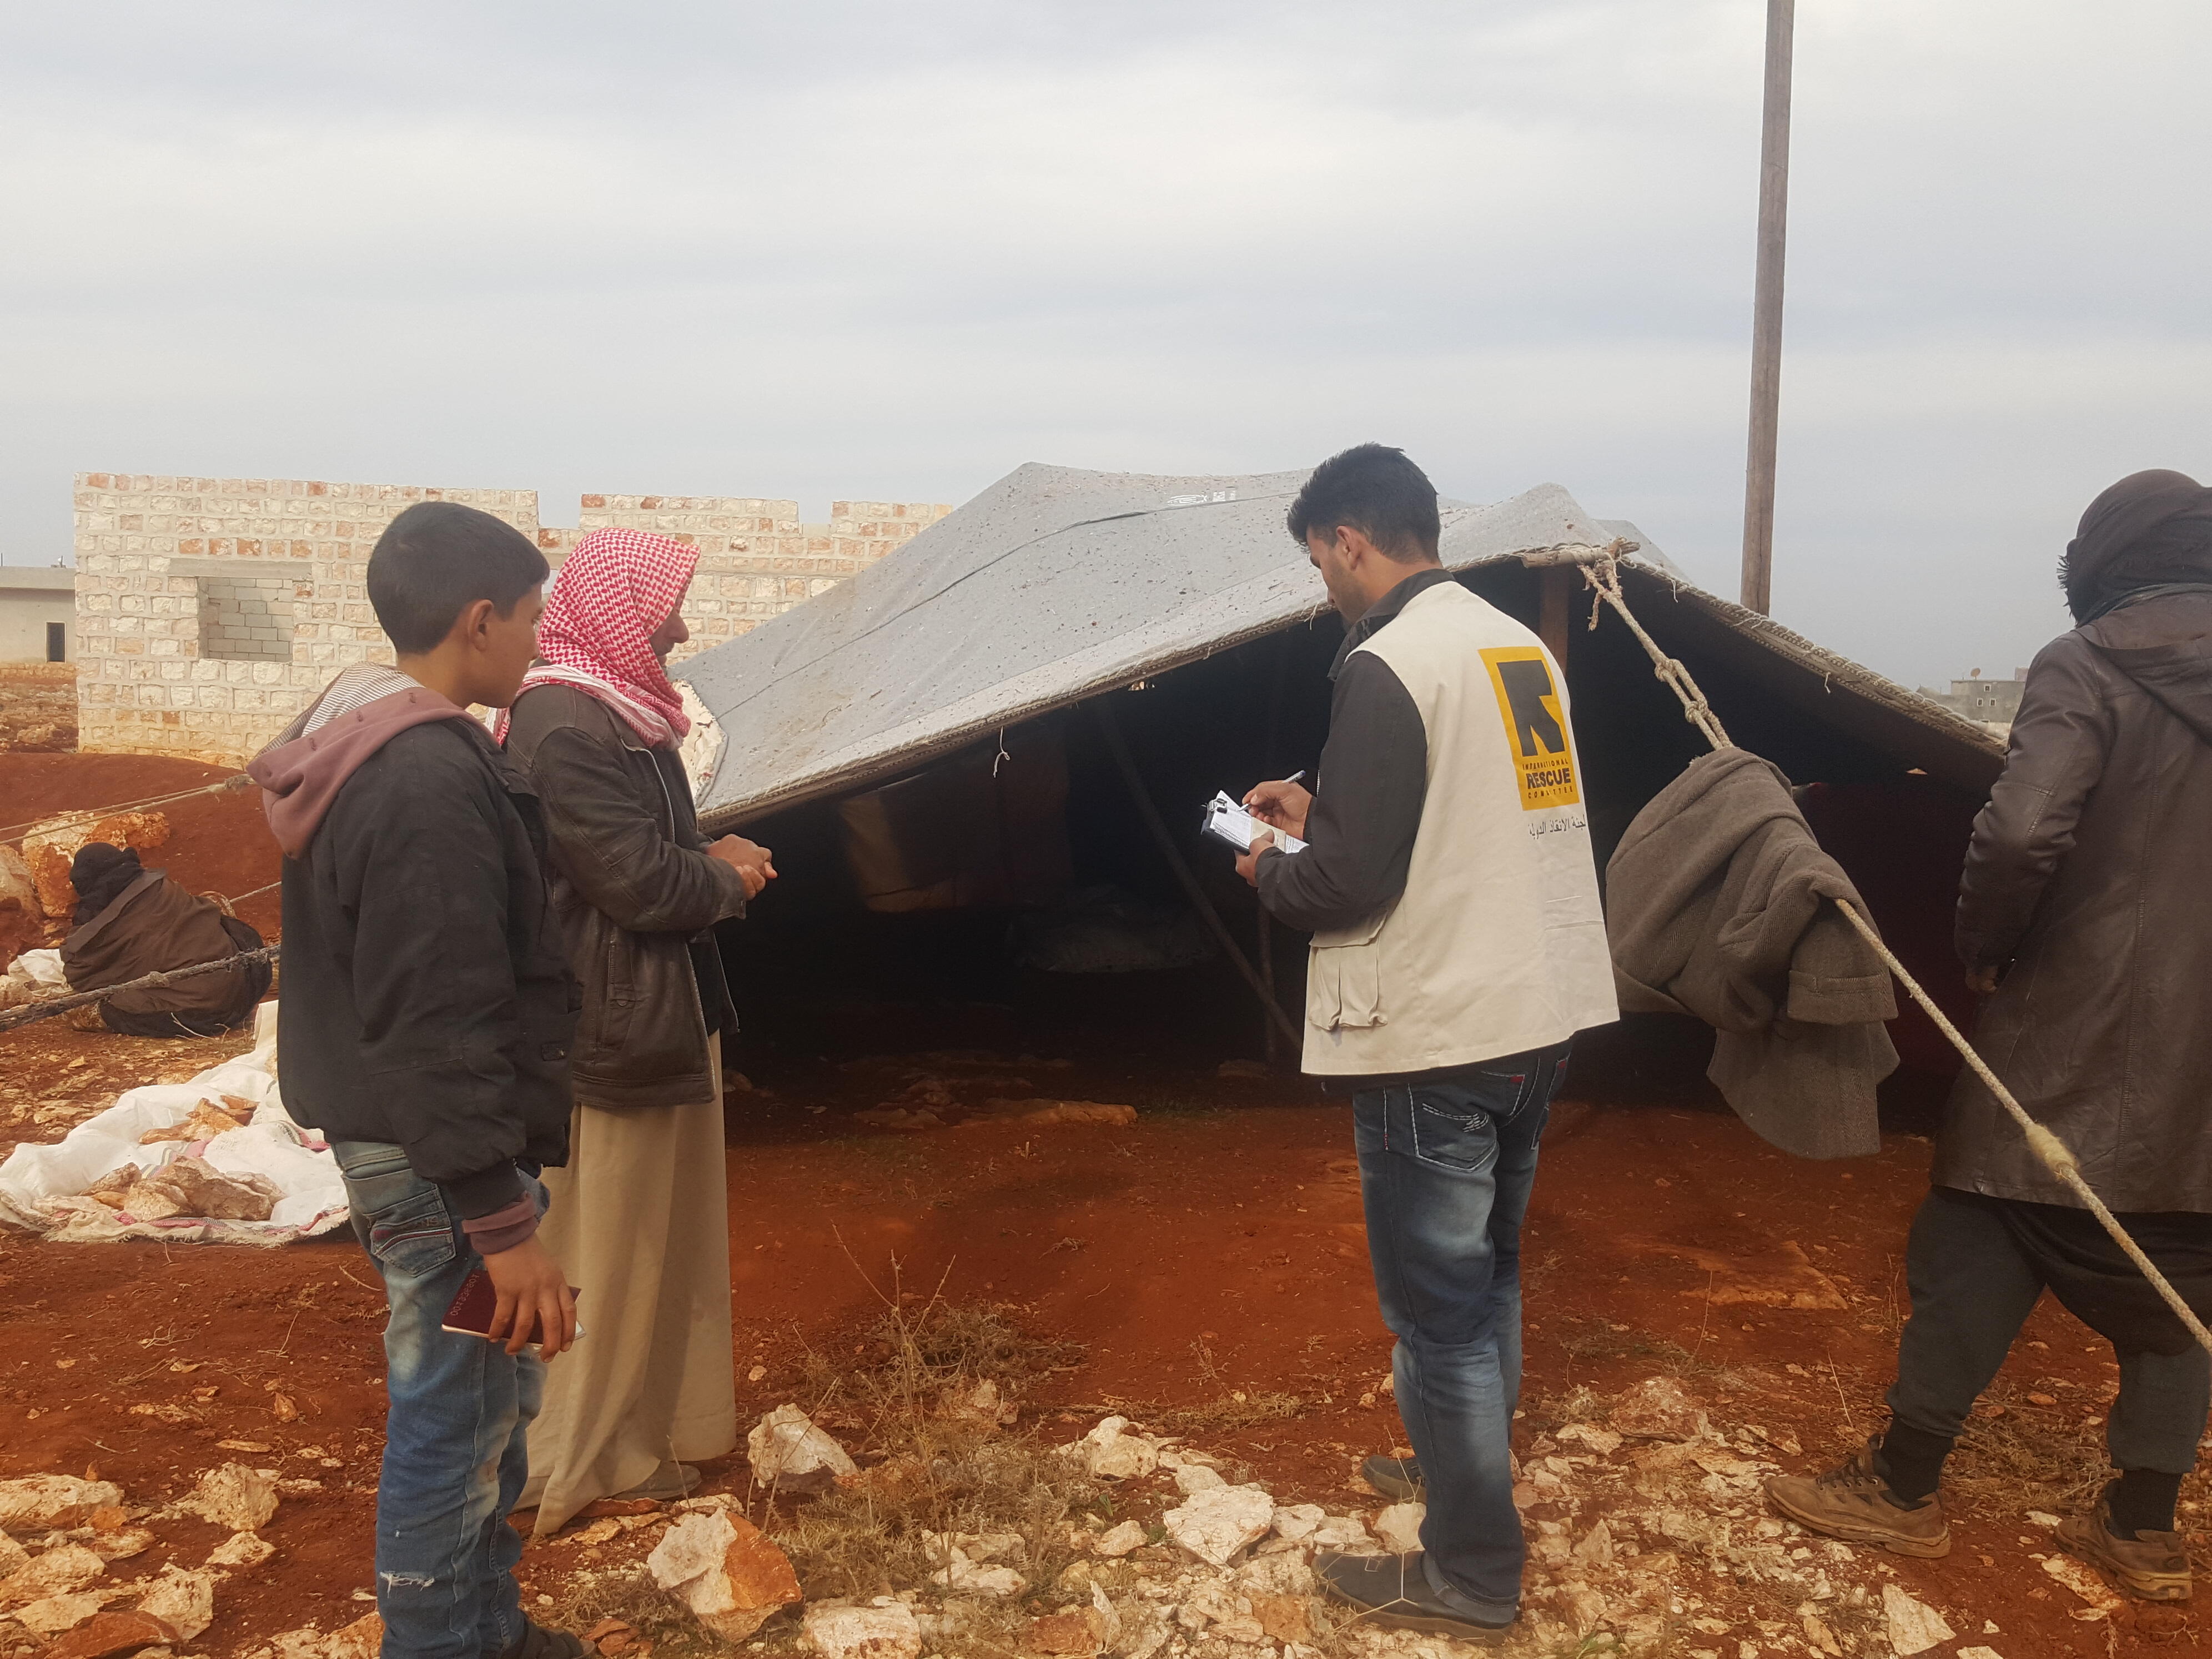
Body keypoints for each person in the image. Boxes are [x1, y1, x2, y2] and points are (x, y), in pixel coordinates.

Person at [1767, 469, 2212, 1603]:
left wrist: (1985, 945)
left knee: (1975, 1232)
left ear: (2101, 559)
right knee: (2182, 1289)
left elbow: (2019, 835)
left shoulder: (2090, 662)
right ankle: (2145, 1525)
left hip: (2078, 1023)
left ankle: (1902, 1486)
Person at [1236, 444, 1617, 1638]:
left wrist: (1267, 865)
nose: (1323, 587)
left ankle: (1469, 1573)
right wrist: (1325, 809)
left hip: (1436, 1031)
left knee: (1437, 1313)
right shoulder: (1514, 645)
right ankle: (1462, 1470)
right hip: (1532, 1015)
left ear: (1349, 541)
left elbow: (1345, 885)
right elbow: (1470, 808)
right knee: (1491, 1270)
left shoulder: (1389, 658)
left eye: (1318, 562)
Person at [249, 501, 584, 1659]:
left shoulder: (364, 736)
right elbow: (435, 1017)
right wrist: (502, 1220)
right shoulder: (425, 779)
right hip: (439, 1156)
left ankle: (486, 1627)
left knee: (492, 1402)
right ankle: (442, 1645)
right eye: (533, 620)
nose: (541, 644)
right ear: (479, 621)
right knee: (455, 1414)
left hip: (418, 1139)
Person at [498, 527, 773, 1534]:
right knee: (596, 1247)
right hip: (606, 1025)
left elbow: (642, 848)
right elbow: (637, 882)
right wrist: (725, 878)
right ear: (621, 609)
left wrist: (707, 844)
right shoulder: (567, 721)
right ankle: (560, 1455)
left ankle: (629, 1438)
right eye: (667, 609)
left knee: (649, 1243)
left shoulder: (615, 714)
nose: (682, 627)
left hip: (648, 1010)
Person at [59, 842, 269, 1034]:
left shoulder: (101, 935)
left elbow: (79, 977)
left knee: (87, 1009)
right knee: (213, 907)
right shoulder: (163, 888)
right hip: (246, 988)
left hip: (202, 1014)